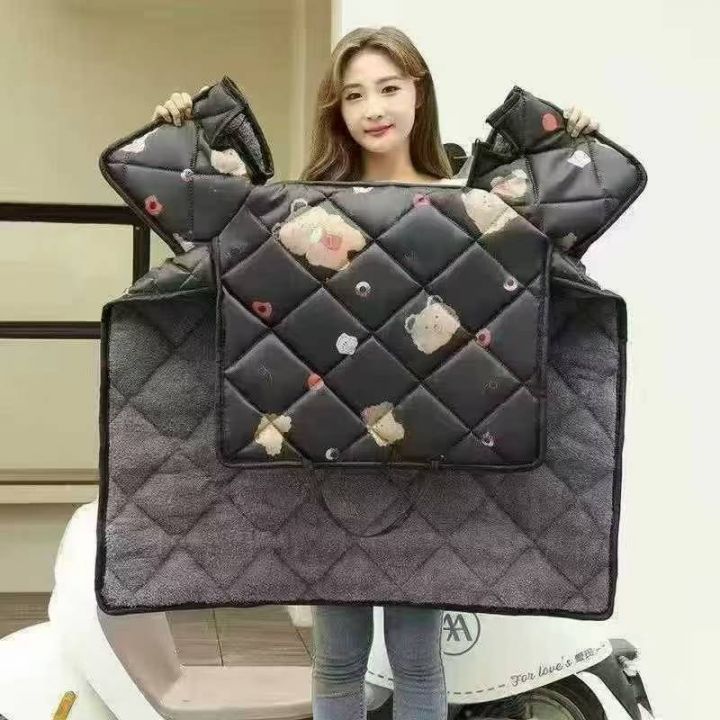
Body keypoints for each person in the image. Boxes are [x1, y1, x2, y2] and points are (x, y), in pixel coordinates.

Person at [152, 24, 599, 720]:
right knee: (337, 659)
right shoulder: (302, 204)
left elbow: (546, 268)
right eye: (354, 94)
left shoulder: (470, 201)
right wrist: (182, 132)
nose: (373, 108)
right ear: (338, 108)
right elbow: (210, 246)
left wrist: (571, 146)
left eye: (388, 88)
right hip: (331, 455)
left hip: (432, 455)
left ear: (418, 92)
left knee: (417, 659)